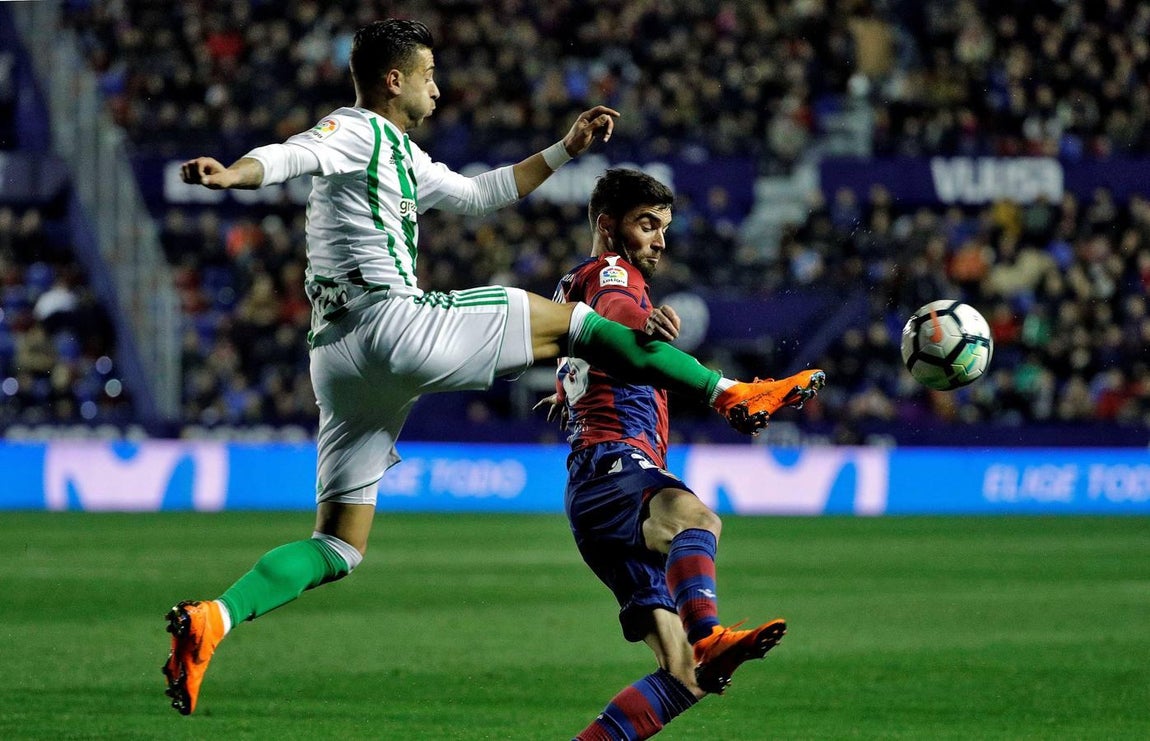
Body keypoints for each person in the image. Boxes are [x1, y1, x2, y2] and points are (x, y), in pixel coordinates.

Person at [163, 19, 826, 716]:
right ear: (394, 80)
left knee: (338, 544)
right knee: (572, 323)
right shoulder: (357, 129)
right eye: (428, 76)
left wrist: (565, 149)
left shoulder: (404, 157)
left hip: (336, 360)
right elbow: (295, 154)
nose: (438, 89)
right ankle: (732, 394)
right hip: (394, 323)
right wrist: (236, 171)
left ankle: (216, 618)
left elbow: (483, 194)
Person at [538, 169, 822, 740]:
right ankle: (711, 631)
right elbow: (615, 310)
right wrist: (638, 321)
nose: (660, 240)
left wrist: (573, 385)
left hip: (591, 493)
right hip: (614, 465)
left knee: (685, 674)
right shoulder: (611, 272)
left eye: (664, 227)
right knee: (696, 519)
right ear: (607, 226)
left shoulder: (570, 287)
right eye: (647, 225)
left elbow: (589, 339)